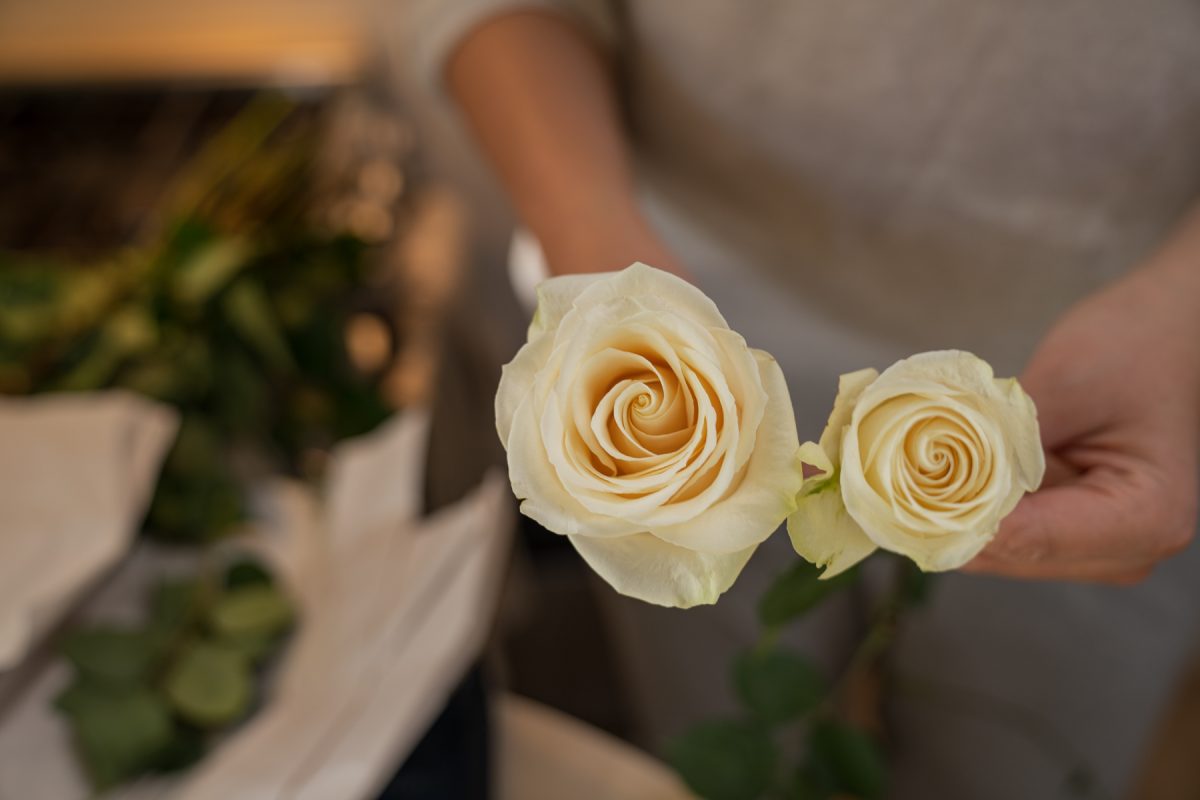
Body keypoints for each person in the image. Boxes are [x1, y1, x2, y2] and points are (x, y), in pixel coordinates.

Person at [401, 2, 1200, 796]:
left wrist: (1184, 310)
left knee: (1016, 759)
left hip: (1122, 357)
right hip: (676, 262)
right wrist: (595, 239)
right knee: (725, 740)